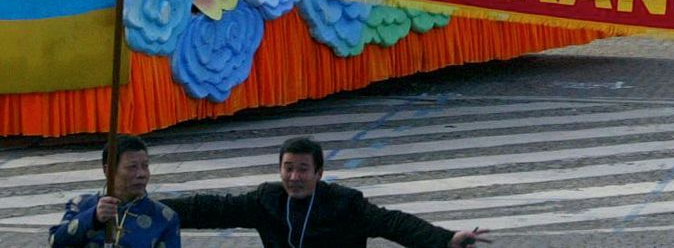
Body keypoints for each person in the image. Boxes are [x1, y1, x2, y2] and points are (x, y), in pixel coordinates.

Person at [164, 137, 487, 247]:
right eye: (288, 168)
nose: (294, 177)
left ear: (319, 173)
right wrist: (152, 209)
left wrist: (445, 238)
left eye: (303, 169)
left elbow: (393, 223)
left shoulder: (344, 203)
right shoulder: (267, 200)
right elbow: (210, 208)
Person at [50, 136, 182, 247]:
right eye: (132, 167)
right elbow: (56, 242)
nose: (141, 174)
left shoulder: (165, 217)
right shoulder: (81, 204)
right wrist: (94, 217)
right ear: (108, 171)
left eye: (145, 166)